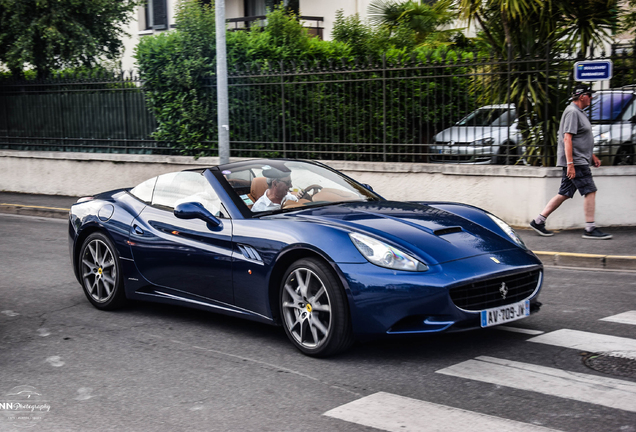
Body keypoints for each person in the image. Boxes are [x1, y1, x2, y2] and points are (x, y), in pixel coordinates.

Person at [530, 84, 612, 240]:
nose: (591, 98)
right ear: (582, 96)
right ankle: (590, 228)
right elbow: (567, 138)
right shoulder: (572, 112)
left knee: (564, 193)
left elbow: (581, 138)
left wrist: (592, 156)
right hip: (576, 161)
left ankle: (538, 221)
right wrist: (570, 164)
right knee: (590, 190)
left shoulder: (579, 112)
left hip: (580, 159)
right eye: (589, 95)